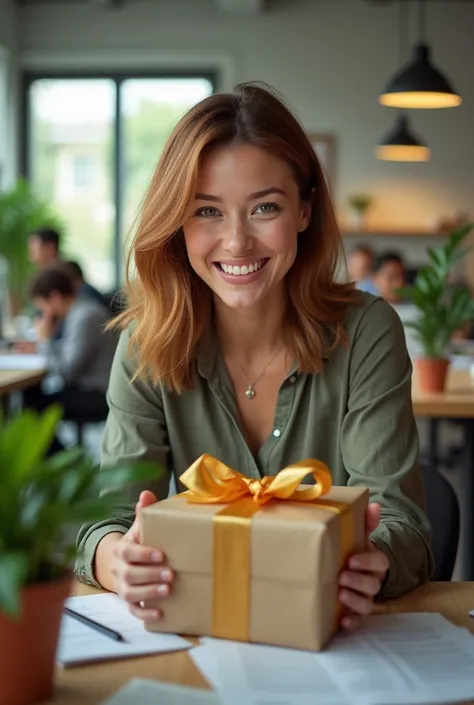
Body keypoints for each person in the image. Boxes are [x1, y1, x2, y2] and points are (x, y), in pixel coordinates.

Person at [76, 83, 433, 631]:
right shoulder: (147, 343)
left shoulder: (366, 332)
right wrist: (116, 560)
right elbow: (106, 518)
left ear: (305, 211)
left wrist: (373, 563)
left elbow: (402, 521)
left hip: (338, 635)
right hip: (205, 626)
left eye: (265, 207)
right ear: (177, 223)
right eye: (207, 211)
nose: (237, 242)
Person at [23, 264, 117, 452]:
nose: (44, 314)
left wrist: (46, 340)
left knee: (34, 406)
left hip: (98, 395)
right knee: (31, 395)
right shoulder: (80, 312)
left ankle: (63, 461)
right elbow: (70, 353)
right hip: (89, 389)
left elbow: (67, 371)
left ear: (55, 297)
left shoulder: (85, 316)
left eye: (43, 307)